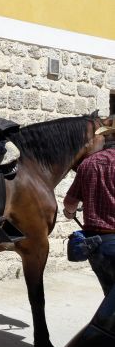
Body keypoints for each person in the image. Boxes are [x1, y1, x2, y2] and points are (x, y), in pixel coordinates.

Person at [63, 125, 115, 295]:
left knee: (109, 295)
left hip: (96, 245)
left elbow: (70, 203)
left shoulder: (88, 163)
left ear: (107, 138)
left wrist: (70, 213)